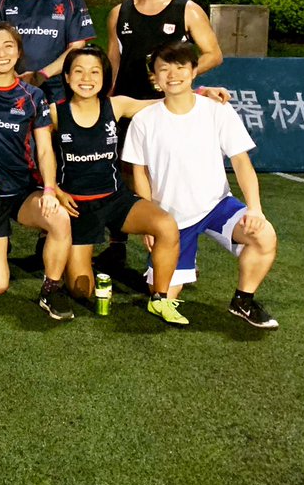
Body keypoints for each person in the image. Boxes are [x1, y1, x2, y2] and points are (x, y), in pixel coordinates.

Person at [121, 41, 279, 329]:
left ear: (194, 71)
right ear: (154, 77)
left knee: (264, 235)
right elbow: (139, 173)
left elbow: (241, 162)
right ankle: (182, 262)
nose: (173, 75)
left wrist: (255, 208)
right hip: (171, 218)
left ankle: (243, 300)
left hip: (217, 205)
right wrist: (150, 222)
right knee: (161, 295)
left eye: (181, 67)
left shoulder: (217, 110)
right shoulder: (144, 120)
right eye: (164, 69)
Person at [49, 45, 196, 325]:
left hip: (116, 199)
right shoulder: (56, 113)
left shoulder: (116, 105)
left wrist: (201, 94)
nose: (87, 78)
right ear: (67, 77)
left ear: (104, 77)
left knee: (166, 225)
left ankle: (160, 298)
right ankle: (74, 258)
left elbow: (162, 104)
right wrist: (54, 190)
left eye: (95, 72)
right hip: (78, 208)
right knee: (81, 291)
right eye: (78, 71)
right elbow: (36, 152)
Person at [104, 0, 223, 266]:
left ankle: (170, 252)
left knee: (164, 180)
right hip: (128, 109)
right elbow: (113, 61)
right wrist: (106, 102)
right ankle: (117, 244)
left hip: (167, 111)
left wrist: (175, 78)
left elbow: (213, 53)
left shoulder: (186, 9)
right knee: (122, 175)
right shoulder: (119, 13)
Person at [0, 23, 74, 320]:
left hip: (24, 192)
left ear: (18, 51)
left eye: (8, 46)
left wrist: (49, 189)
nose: (1, 53)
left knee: (59, 218)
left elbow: (45, 149)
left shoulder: (33, 96)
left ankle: (51, 289)